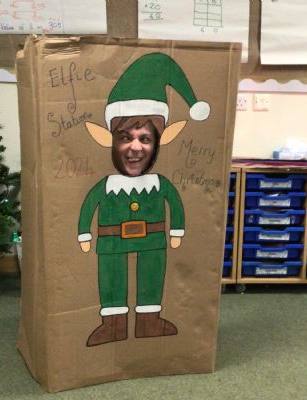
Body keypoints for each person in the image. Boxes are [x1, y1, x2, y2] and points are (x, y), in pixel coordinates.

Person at [78, 52, 210, 346]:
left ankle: (149, 321)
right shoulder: (106, 186)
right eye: (125, 137)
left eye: (146, 139)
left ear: (162, 141)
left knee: (152, 273)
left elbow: (175, 204)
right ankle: (112, 324)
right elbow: (89, 206)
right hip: (111, 241)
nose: (135, 148)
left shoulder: (159, 184)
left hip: (153, 240)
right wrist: (84, 233)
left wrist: (176, 230)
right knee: (111, 275)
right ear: (107, 139)